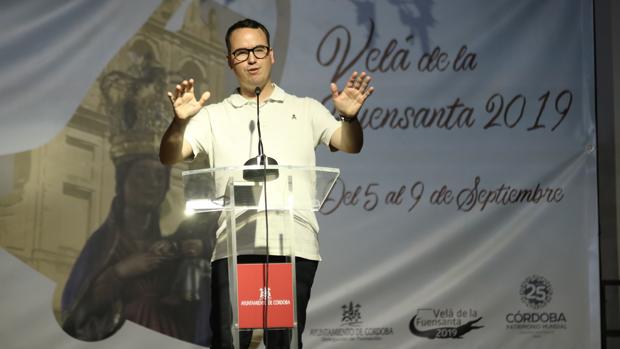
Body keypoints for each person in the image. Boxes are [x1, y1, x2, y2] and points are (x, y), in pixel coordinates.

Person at [159, 18, 374, 349]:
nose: (252, 58)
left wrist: (350, 117)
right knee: (230, 342)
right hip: (235, 247)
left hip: (293, 246)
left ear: (271, 55)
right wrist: (179, 122)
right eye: (242, 52)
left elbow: (349, 143)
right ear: (231, 61)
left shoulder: (305, 109)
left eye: (259, 49)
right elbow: (172, 155)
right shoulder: (215, 115)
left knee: (283, 343)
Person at [61, 154, 212, 345]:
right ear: (123, 182)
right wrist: (120, 271)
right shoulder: (102, 245)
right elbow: (78, 314)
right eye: (142, 175)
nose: (152, 184)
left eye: (159, 177)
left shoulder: (168, 245)